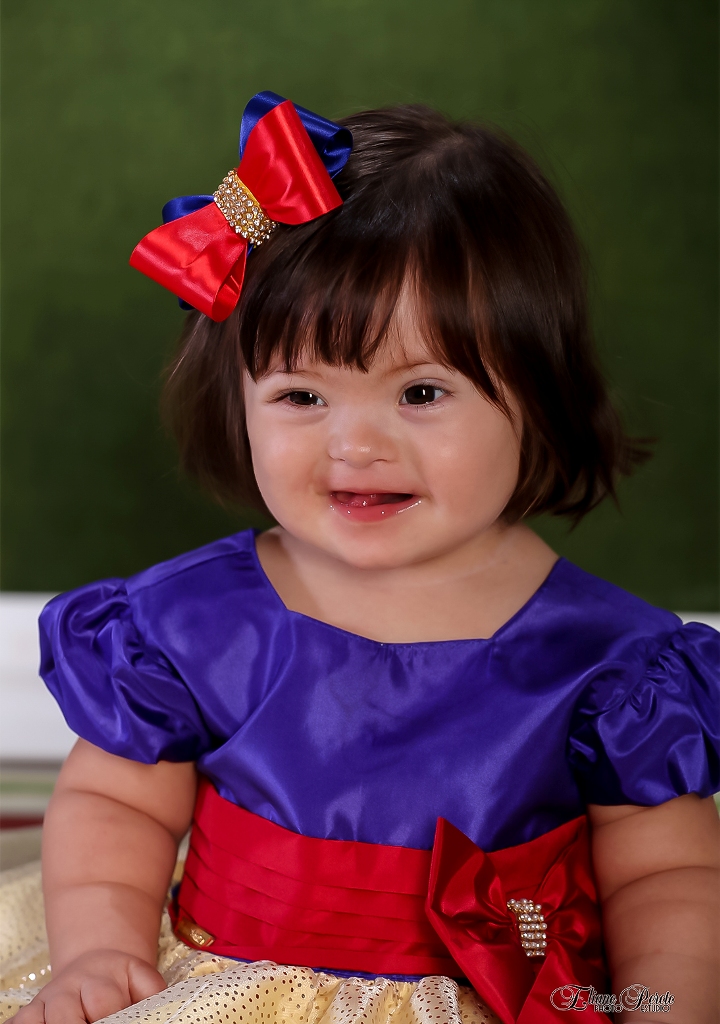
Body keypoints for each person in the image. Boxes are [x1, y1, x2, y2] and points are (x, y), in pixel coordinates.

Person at [7, 93, 719, 1024]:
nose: (355, 446)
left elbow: (666, 875)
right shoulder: (190, 625)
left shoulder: (612, 666)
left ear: (538, 397)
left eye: (421, 392)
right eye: (301, 397)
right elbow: (120, 807)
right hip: (223, 983)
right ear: (237, 399)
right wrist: (100, 952)